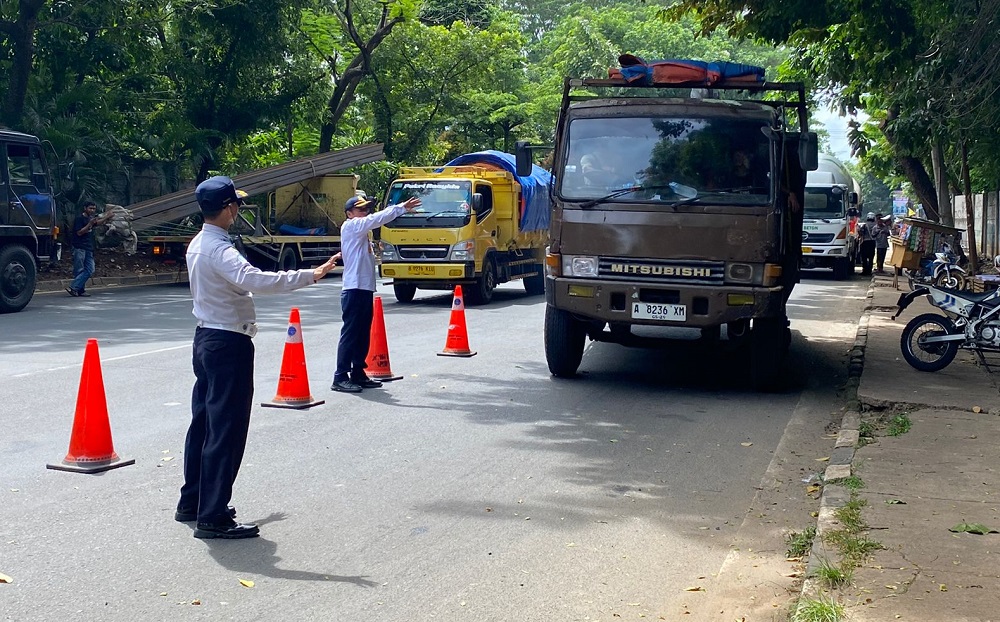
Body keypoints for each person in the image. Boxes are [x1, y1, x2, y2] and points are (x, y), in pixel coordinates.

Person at [177, 176, 339, 540]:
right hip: (227, 341)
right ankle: (213, 514)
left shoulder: (198, 243)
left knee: (203, 423)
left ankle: (194, 500)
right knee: (226, 430)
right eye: (235, 204)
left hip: (206, 337)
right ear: (228, 208)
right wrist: (309, 275)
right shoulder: (220, 249)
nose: (238, 210)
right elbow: (256, 280)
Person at [332, 194, 422, 393]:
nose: (365, 212)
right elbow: (376, 219)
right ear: (349, 214)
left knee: (363, 334)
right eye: (360, 209)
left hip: (363, 289)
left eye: (366, 209)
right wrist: (400, 208)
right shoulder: (351, 226)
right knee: (351, 333)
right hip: (354, 288)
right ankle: (340, 376)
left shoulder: (361, 233)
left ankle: (358, 372)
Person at [66, 201, 114, 297]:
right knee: (79, 270)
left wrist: (107, 217)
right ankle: (79, 290)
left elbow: (97, 223)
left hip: (88, 248)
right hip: (79, 247)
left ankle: (75, 287)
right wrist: (89, 224)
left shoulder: (91, 218)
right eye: (90, 208)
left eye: (93, 209)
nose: (92, 210)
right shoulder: (79, 219)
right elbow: (79, 233)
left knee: (90, 269)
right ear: (85, 208)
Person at [857, 212, 877, 276]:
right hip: (872, 242)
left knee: (864, 257)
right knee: (871, 258)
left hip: (865, 242)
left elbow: (860, 233)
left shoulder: (865, 225)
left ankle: (865, 270)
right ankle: (869, 271)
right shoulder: (876, 225)